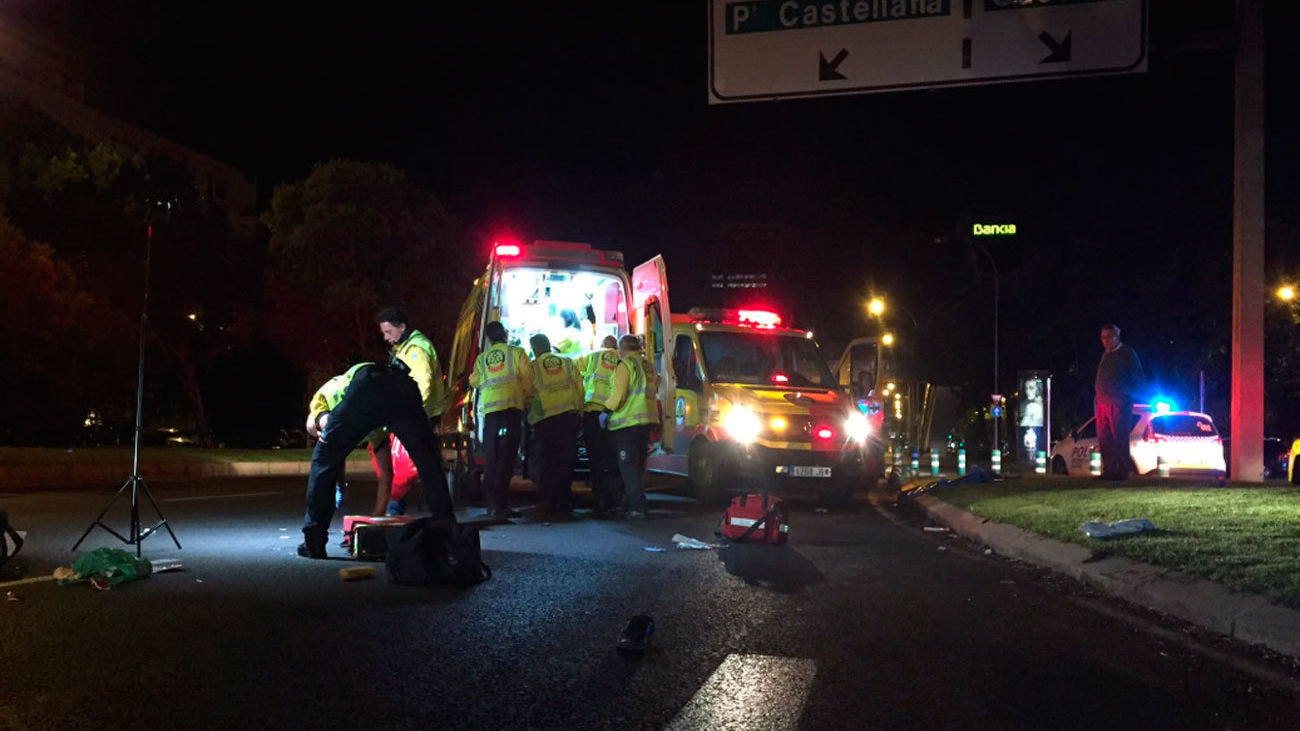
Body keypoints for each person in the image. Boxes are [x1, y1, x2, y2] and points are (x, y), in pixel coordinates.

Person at [299, 362, 453, 559]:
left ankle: (314, 542)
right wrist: (375, 522)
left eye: (316, 433)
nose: (317, 436)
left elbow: (330, 443)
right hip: (403, 386)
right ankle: (450, 536)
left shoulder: (322, 402)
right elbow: (386, 475)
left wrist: (324, 436)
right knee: (429, 463)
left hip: (368, 388)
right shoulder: (373, 431)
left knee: (322, 460)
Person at [376, 306, 447, 515]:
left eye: (388, 332)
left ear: (402, 327)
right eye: (383, 333)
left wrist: (409, 413)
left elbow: (422, 385)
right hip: (415, 414)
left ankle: (399, 506)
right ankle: (435, 509)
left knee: (417, 464)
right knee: (420, 463)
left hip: (421, 415)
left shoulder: (416, 349)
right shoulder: (406, 347)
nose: (386, 337)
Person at [470, 321, 533, 519]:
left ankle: (492, 505)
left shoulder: (482, 359)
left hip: (491, 413)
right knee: (506, 458)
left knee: (492, 458)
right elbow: (528, 379)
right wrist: (526, 399)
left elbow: (474, 381)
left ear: (488, 339)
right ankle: (501, 504)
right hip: (511, 411)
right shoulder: (517, 353)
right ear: (505, 334)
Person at [524, 334, 584, 520]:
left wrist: (528, 415)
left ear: (534, 349)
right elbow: (579, 387)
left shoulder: (532, 367)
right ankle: (563, 503)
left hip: (545, 421)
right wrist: (579, 412)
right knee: (565, 463)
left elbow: (527, 392)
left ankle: (546, 504)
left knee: (546, 464)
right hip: (568, 418)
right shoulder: (567, 362)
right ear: (549, 345)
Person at [602, 334, 660, 520]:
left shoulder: (625, 365)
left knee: (627, 466)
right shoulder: (647, 365)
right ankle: (627, 504)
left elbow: (619, 395)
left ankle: (637, 507)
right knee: (636, 465)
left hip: (627, 422)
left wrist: (606, 411)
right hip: (646, 421)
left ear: (622, 348)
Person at [1094, 324, 1146, 481]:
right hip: (1102, 403)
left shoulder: (1127, 354)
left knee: (1119, 437)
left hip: (1118, 403)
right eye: (1103, 337)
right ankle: (1109, 470)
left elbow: (1139, 379)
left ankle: (1121, 471)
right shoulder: (1106, 354)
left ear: (1117, 336)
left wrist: (1122, 392)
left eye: (1109, 337)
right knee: (1105, 438)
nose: (1106, 341)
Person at [577, 335, 622, 513]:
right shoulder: (621, 359)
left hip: (592, 411)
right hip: (612, 413)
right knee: (611, 458)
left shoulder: (593, 355)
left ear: (602, 344)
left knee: (595, 458)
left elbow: (573, 367)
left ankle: (599, 499)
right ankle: (614, 498)